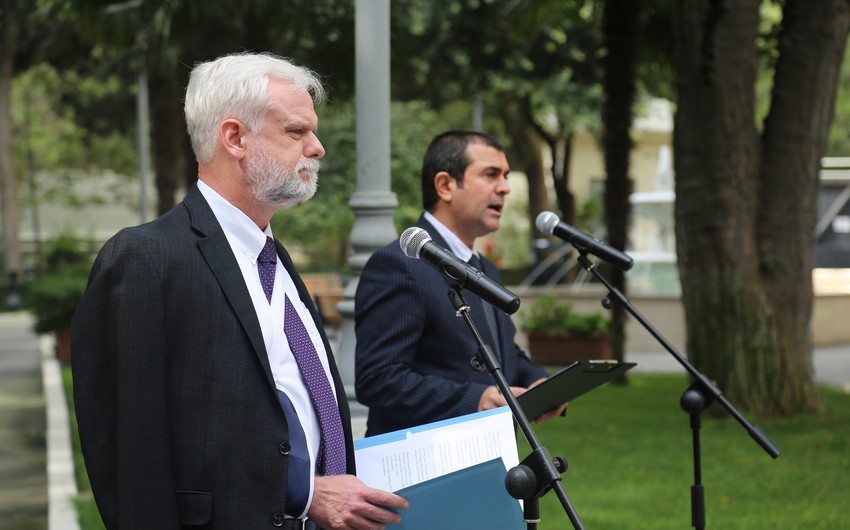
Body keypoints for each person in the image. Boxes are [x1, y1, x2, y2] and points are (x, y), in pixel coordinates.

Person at [71, 52, 408, 530]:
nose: (318, 148)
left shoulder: (276, 260)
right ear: (235, 138)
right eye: (296, 132)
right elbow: (133, 458)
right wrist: (304, 492)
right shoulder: (146, 259)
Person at [354, 130, 567, 436]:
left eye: (506, 176)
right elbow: (377, 378)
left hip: (488, 458)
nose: (505, 188)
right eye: (491, 175)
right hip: (422, 468)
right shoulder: (399, 264)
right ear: (445, 185)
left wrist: (537, 380)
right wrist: (474, 399)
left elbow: (500, 351)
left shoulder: (486, 270)